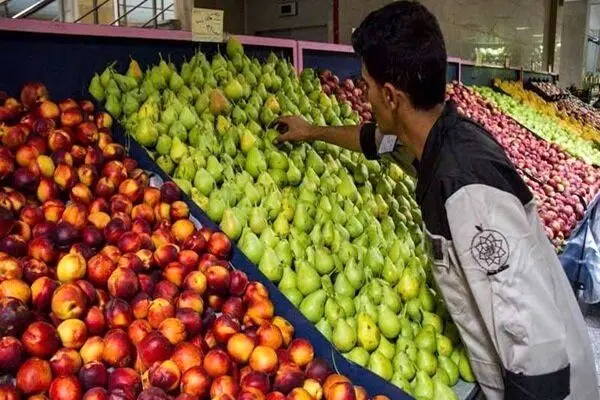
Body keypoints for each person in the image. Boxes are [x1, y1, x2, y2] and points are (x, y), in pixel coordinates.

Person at [277, 2, 599, 399]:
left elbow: (534, 343)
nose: (366, 96)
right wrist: (311, 132)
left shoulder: (466, 190)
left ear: (391, 96)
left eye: (367, 86)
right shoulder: (438, 135)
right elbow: (374, 142)